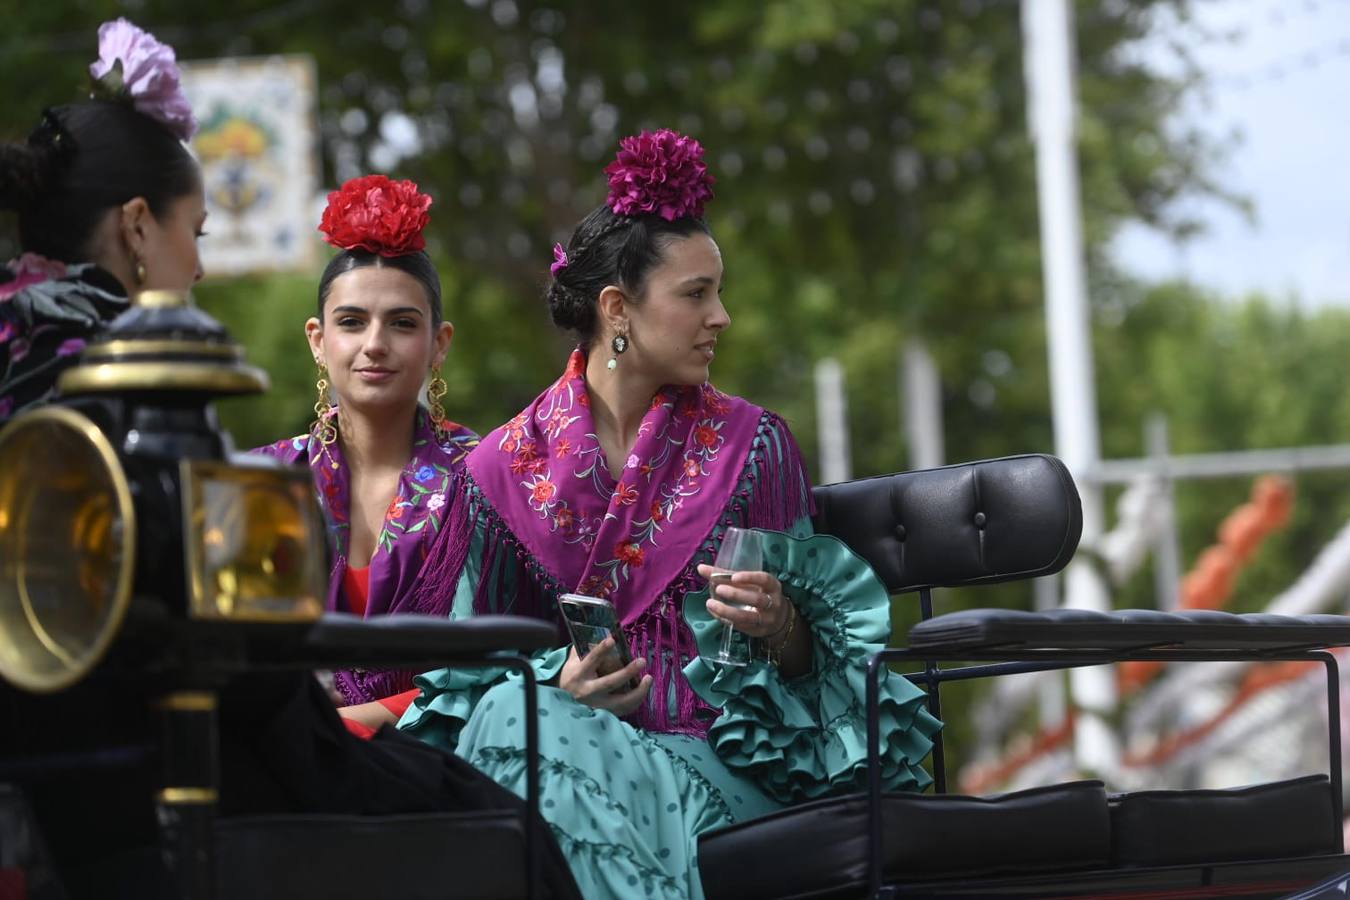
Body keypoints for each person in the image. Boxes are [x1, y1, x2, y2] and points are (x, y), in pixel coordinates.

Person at [0, 20, 578, 899]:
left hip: (55, 779)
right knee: (506, 825)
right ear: (136, 227)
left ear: (440, 344)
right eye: (194, 230)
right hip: (180, 770)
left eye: (403, 321)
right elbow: (229, 649)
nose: (197, 265)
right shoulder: (141, 373)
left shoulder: (25, 355)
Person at [346, 129, 942, 898]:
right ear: (617, 309)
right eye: (696, 294)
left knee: (529, 743)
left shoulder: (754, 446)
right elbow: (465, 677)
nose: (721, 316)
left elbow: (822, 678)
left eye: (717, 291)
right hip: (557, 752)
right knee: (520, 720)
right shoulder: (493, 473)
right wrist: (561, 684)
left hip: (728, 769)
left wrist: (784, 627)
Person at [253, 174, 479, 707]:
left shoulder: (485, 478)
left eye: (402, 323)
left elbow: (499, 663)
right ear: (318, 339)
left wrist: (366, 718)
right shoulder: (263, 481)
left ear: (438, 343)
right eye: (351, 322)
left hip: (440, 749)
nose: (374, 344)